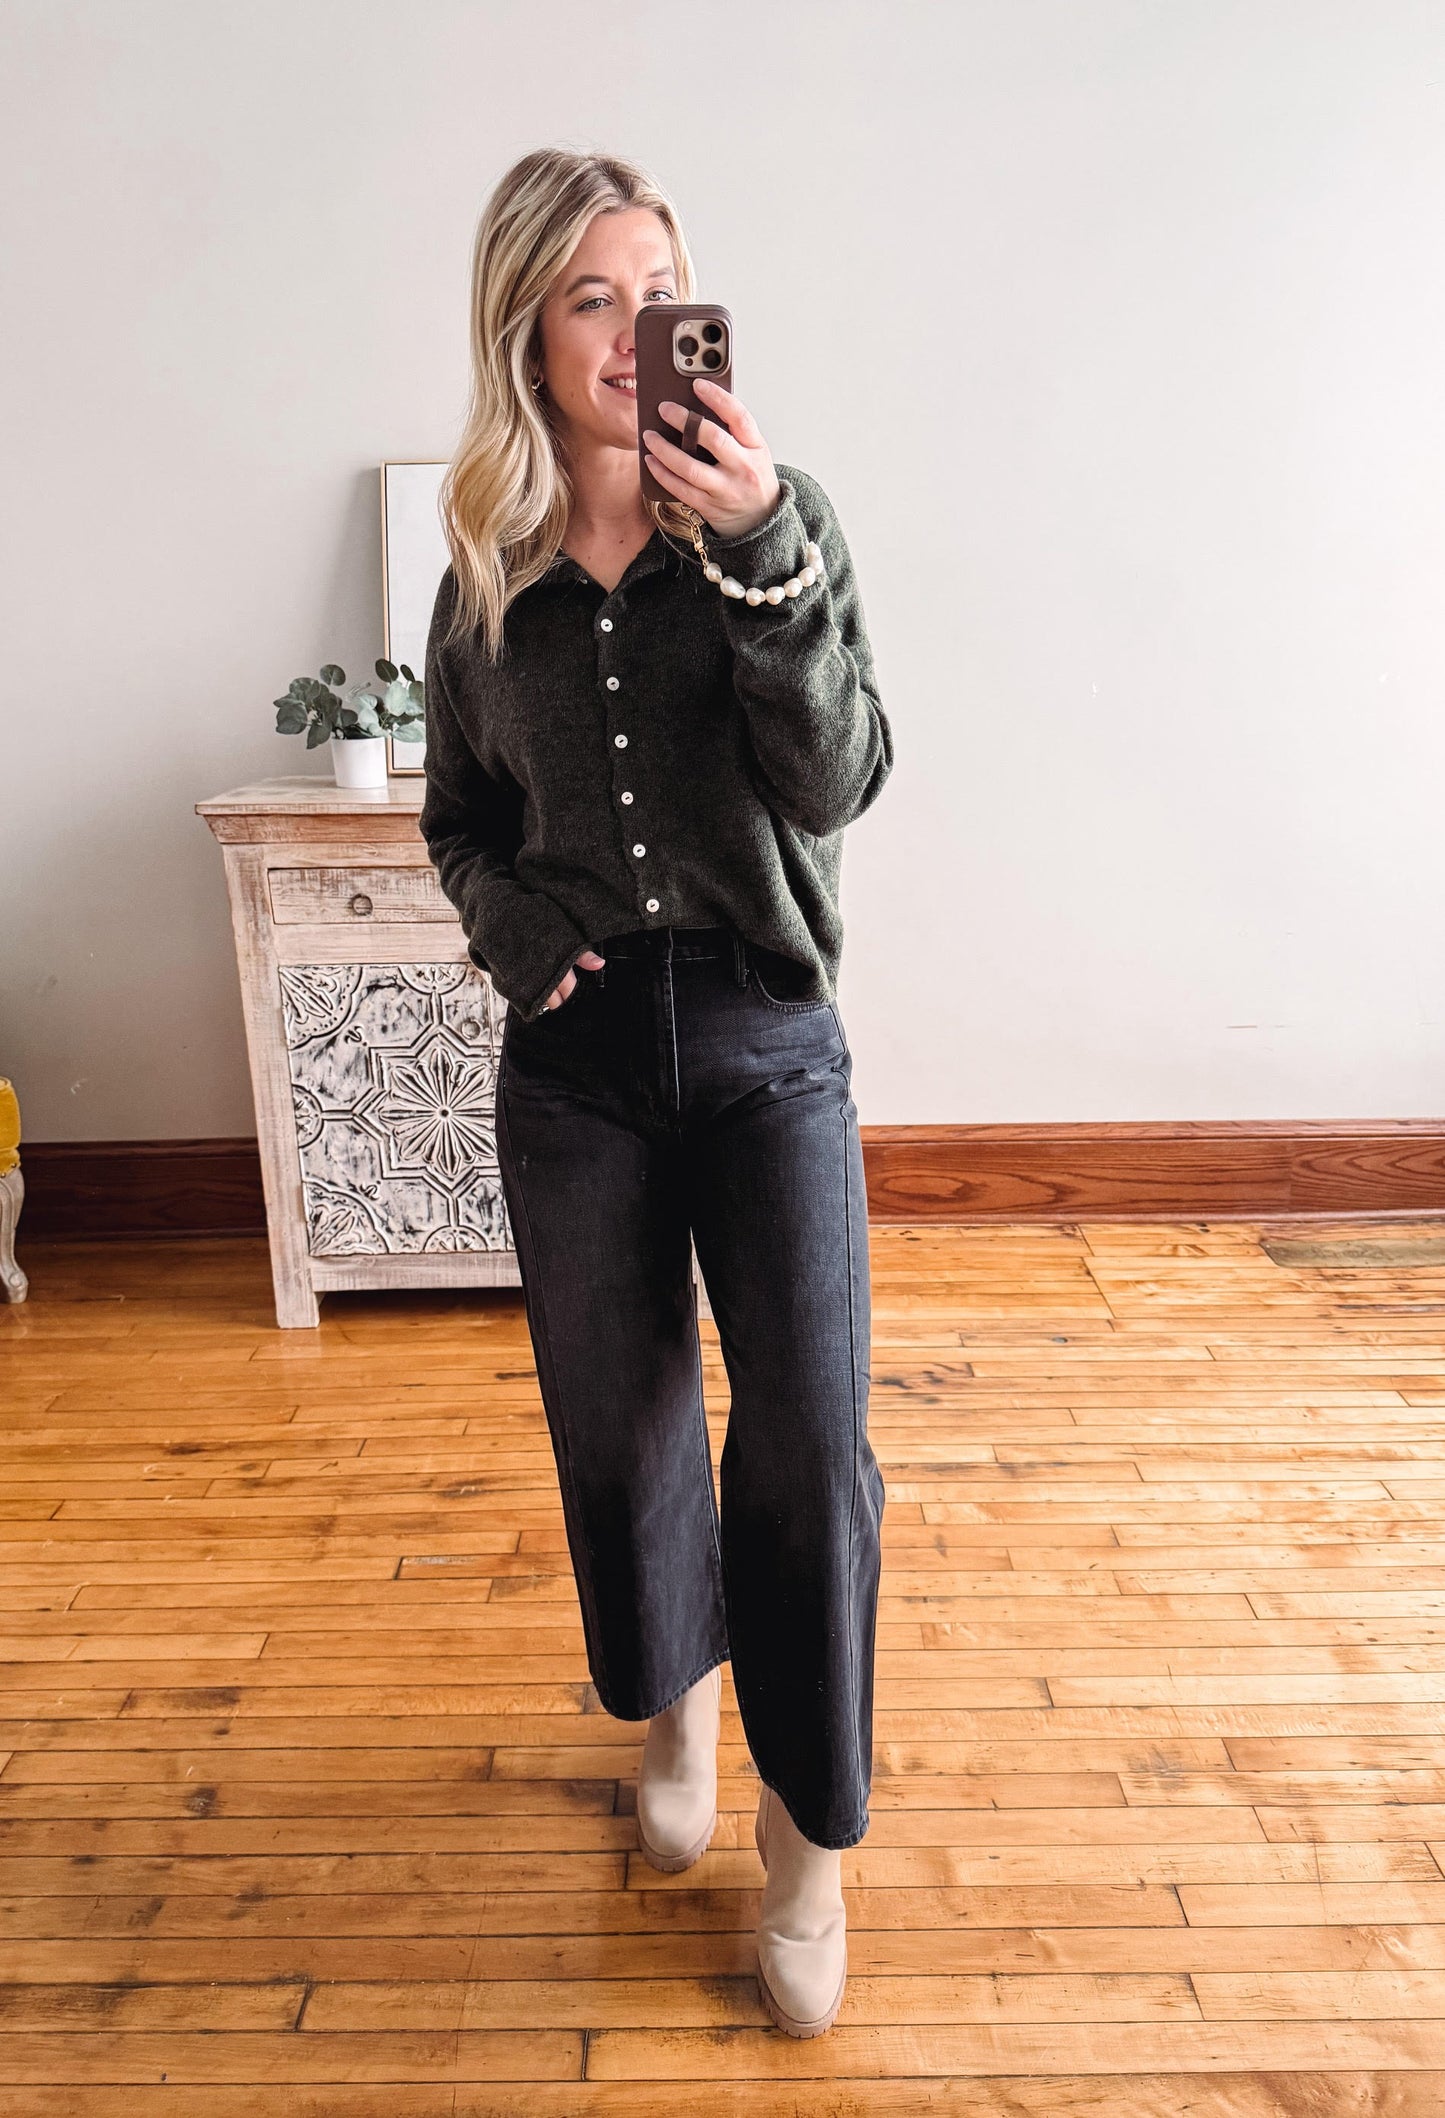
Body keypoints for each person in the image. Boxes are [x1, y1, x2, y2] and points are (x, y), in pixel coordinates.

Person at [419, 146, 894, 2039]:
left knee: (803, 1445)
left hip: (769, 1036)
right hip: (582, 1066)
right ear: (529, 335)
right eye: (593, 301)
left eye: (661, 290)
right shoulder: (484, 571)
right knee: (623, 1440)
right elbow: (464, 827)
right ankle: (676, 1706)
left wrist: (764, 547)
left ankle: (809, 1835)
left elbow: (840, 776)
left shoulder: (779, 524)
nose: (633, 335)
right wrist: (519, 932)